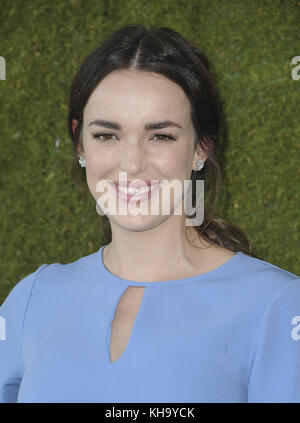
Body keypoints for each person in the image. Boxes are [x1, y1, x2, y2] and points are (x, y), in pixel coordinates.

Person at [0, 24, 300, 403]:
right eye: (107, 135)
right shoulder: (31, 300)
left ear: (200, 148)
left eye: (160, 135)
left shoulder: (278, 306)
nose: (132, 163)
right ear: (80, 145)